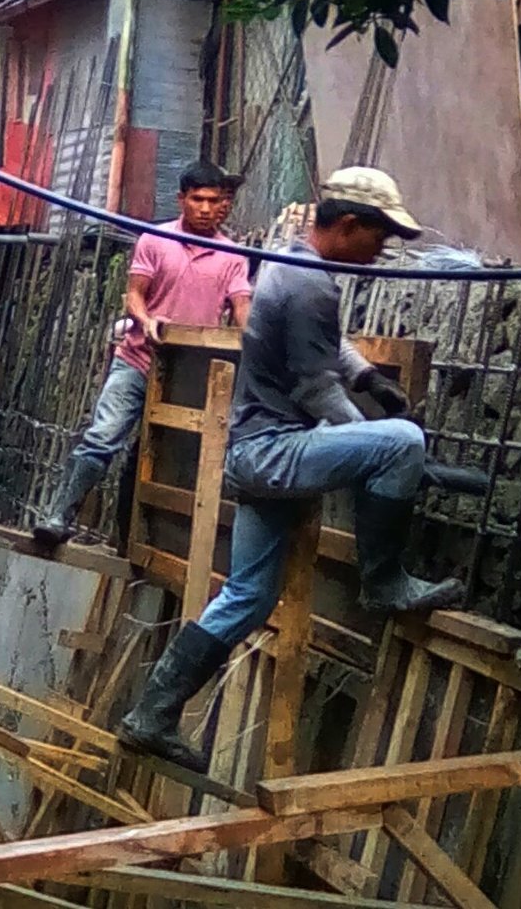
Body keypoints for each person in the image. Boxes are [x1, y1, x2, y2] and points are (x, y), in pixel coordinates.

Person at [119, 167, 466, 772]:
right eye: (379, 237)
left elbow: (323, 348)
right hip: (274, 452)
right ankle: (384, 581)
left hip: (252, 453)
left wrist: (368, 379)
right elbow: (312, 386)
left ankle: (151, 715)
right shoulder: (312, 283)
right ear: (351, 224)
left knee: (250, 596)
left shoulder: (285, 261)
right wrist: (381, 440)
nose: (382, 250)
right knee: (402, 442)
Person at [33, 160, 252, 547]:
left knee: (162, 458)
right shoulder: (155, 239)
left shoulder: (232, 256)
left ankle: (136, 539)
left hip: (188, 374)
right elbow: (134, 293)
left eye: (212, 201)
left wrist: (248, 339)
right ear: (181, 199)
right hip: (137, 360)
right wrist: (147, 320)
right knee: (102, 438)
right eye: (197, 199)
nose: (204, 208)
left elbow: (241, 307)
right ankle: (58, 516)